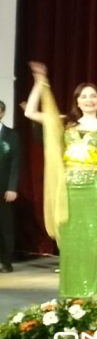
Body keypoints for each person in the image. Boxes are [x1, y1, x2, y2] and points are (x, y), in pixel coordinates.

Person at [23, 62, 97, 298]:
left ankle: (94, 291)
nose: (89, 100)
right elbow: (30, 112)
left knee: (93, 237)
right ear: (77, 101)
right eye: (84, 96)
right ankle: (71, 291)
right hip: (68, 187)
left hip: (96, 186)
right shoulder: (66, 122)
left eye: (93, 96)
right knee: (71, 239)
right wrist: (40, 83)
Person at [0, 100, 22, 273]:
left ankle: (6, 261)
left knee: (5, 226)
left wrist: (12, 187)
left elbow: (16, 163)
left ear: (2, 113)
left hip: (4, 187)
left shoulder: (11, 135)